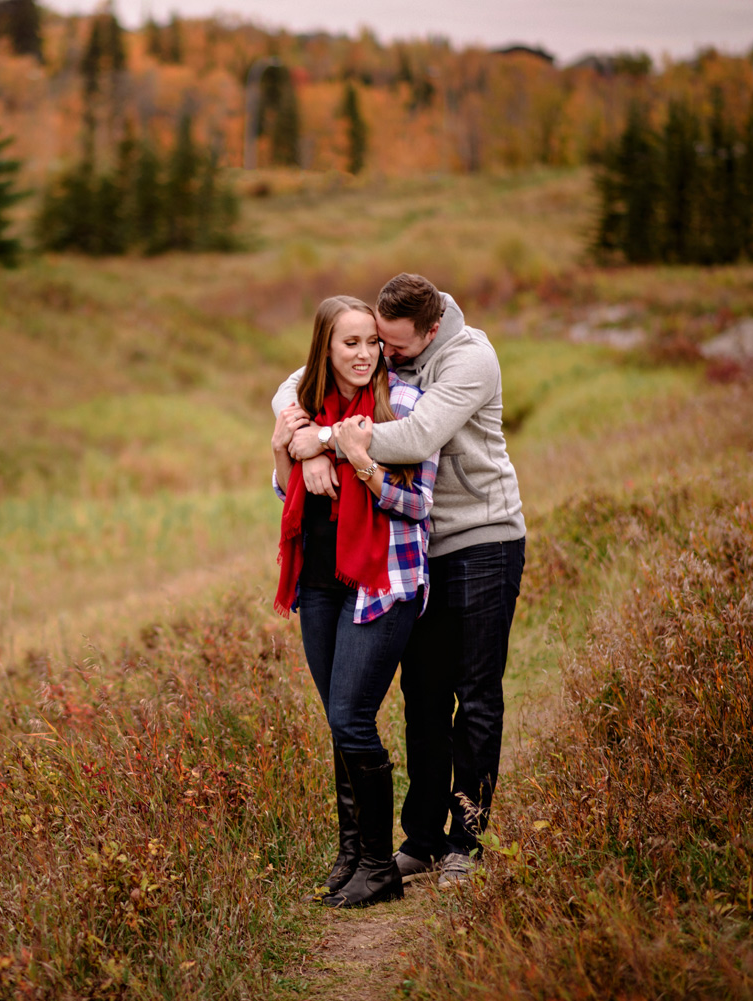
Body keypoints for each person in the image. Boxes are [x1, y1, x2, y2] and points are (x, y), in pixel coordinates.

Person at [274, 274, 526, 888]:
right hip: (415, 551)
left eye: (393, 347)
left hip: (479, 538)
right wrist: (300, 443)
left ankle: (468, 840)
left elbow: (413, 439)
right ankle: (421, 838)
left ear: (430, 330)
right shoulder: (393, 340)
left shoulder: (470, 359)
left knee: (476, 694)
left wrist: (323, 441)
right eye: (374, 343)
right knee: (423, 696)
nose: (381, 355)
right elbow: (297, 380)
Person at [272, 295, 438, 908]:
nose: (366, 354)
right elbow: (281, 488)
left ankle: (380, 864)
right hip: (318, 582)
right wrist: (297, 448)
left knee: (350, 717)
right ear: (326, 349)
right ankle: (352, 853)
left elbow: (422, 507)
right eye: (351, 344)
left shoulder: (407, 407)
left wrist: (360, 461)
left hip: (382, 584)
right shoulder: (303, 414)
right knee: (340, 724)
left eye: (373, 342)